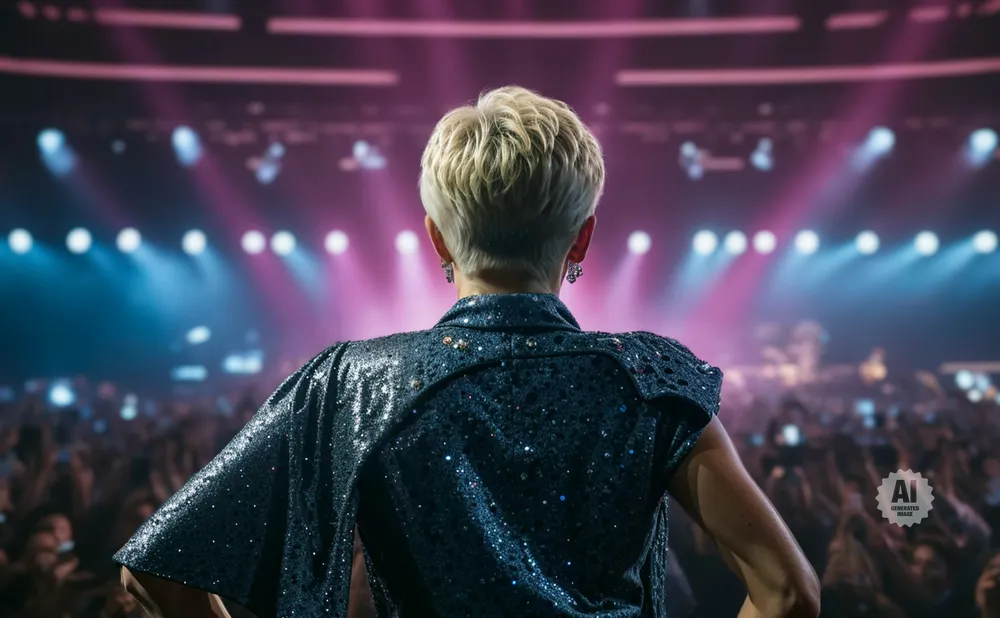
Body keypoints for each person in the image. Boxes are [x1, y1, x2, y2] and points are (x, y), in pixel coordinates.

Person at [114, 87, 819, 618]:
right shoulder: (650, 380)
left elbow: (153, 570)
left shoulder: (351, 382)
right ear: (582, 240)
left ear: (437, 238)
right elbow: (788, 593)